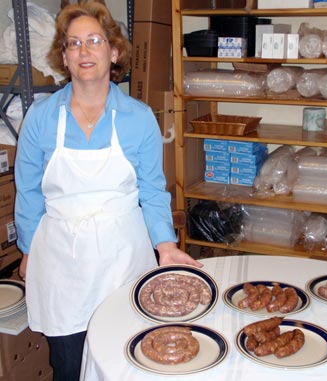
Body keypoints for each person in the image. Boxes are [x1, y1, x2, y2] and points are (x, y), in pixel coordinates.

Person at [14, 2, 201, 380]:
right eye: (74, 43)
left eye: (94, 41)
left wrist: (165, 245)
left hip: (123, 259)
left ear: (113, 52)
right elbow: (29, 192)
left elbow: (152, 190)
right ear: (63, 57)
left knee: (124, 359)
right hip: (61, 263)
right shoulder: (41, 117)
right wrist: (28, 250)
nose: (84, 51)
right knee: (68, 363)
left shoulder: (138, 117)